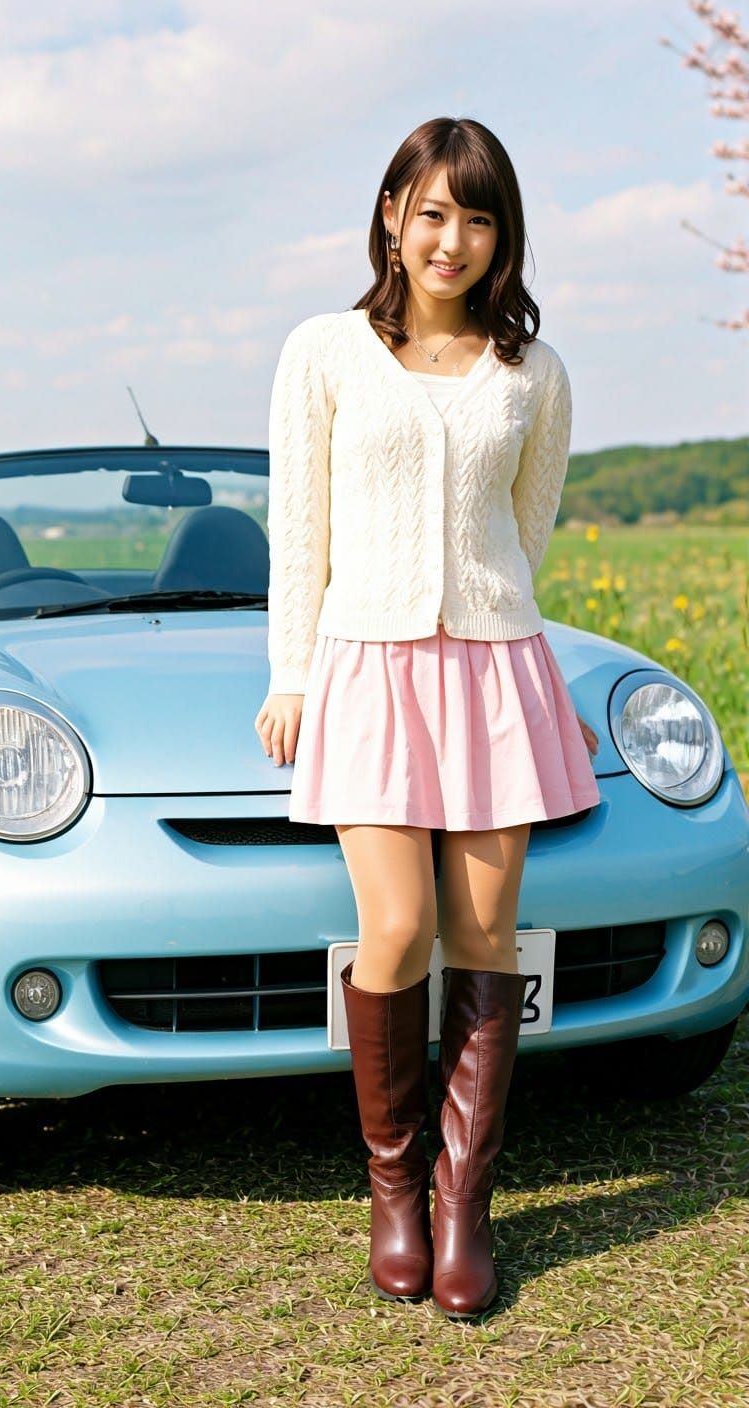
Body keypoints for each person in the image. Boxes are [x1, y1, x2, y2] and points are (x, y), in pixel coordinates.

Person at [255, 115, 601, 1322]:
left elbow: (530, 524)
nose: (452, 239)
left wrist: (512, 643)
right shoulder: (326, 353)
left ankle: (464, 1205)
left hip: (496, 665)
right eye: (433, 211)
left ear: (503, 236)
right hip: (365, 662)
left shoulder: (534, 372)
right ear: (393, 215)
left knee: (488, 928)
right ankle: (394, 1188)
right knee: (397, 927)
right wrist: (290, 674)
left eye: (479, 216)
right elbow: (299, 529)